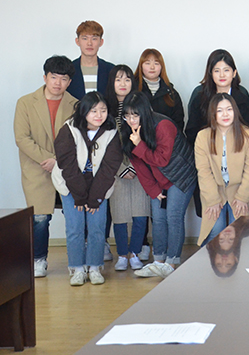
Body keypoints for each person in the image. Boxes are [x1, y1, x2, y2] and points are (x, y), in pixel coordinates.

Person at [121, 92, 197, 278]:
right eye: (127, 116)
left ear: (145, 112)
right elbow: (141, 167)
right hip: (159, 180)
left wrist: (140, 144)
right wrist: (154, 190)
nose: (131, 120)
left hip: (180, 176)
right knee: (158, 217)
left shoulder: (163, 125)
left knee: (173, 216)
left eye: (135, 115)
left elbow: (162, 160)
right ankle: (158, 261)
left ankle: (171, 262)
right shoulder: (129, 133)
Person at [14, 56, 78, 278]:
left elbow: (79, 140)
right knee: (40, 218)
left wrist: (58, 161)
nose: (58, 83)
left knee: (74, 216)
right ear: (45, 77)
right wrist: (49, 159)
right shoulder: (25, 102)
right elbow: (22, 138)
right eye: (54, 77)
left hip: (67, 169)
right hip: (37, 168)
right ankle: (38, 260)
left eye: (64, 78)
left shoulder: (76, 105)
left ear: (69, 82)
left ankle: (77, 261)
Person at [51, 92, 122, 286]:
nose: (99, 115)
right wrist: (80, 197)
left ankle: (95, 266)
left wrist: (95, 198)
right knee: (75, 228)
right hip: (70, 186)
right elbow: (68, 165)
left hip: (99, 187)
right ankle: (77, 268)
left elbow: (110, 168)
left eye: (103, 110)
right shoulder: (69, 129)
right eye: (93, 111)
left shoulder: (111, 132)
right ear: (83, 111)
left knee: (97, 228)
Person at [195, 93, 249, 246]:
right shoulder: (203, 136)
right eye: (220, 110)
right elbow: (203, 170)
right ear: (213, 114)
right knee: (215, 230)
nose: (225, 114)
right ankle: (210, 261)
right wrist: (212, 199)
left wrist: (243, 197)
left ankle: (235, 261)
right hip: (214, 189)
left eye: (229, 109)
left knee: (237, 231)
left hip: (239, 190)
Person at [105, 65, 149, 271]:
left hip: (141, 170)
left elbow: (148, 141)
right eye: (118, 79)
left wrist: (134, 166)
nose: (123, 84)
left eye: (127, 79)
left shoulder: (142, 107)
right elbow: (106, 147)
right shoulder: (105, 111)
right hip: (116, 173)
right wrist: (121, 168)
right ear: (111, 83)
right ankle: (122, 254)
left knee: (141, 214)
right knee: (120, 216)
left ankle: (135, 253)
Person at [185, 49, 249, 144]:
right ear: (211, 74)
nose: (222, 75)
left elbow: (248, 129)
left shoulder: (242, 97)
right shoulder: (200, 97)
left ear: (234, 73)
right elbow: (192, 131)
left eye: (226, 70)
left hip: (237, 147)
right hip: (207, 147)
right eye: (217, 71)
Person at [133, 48, 184, 131]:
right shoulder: (133, 89)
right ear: (141, 66)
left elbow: (178, 123)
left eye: (156, 63)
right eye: (147, 63)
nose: (152, 67)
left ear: (161, 67)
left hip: (165, 137)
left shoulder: (171, 93)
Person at [67, 20, 115, 98]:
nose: (89, 43)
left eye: (94, 39)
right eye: (85, 38)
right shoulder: (68, 70)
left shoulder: (111, 70)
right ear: (77, 41)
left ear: (101, 42)